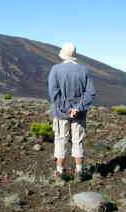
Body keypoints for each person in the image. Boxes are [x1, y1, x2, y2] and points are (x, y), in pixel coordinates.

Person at [48, 42, 96, 182]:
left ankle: (59, 172)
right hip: (79, 114)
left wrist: (67, 109)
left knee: (61, 140)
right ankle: (79, 172)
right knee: (78, 141)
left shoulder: (56, 70)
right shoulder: (84, 70)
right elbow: (90, 92)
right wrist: (77, 108)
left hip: (61, 113)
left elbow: (53, 93)